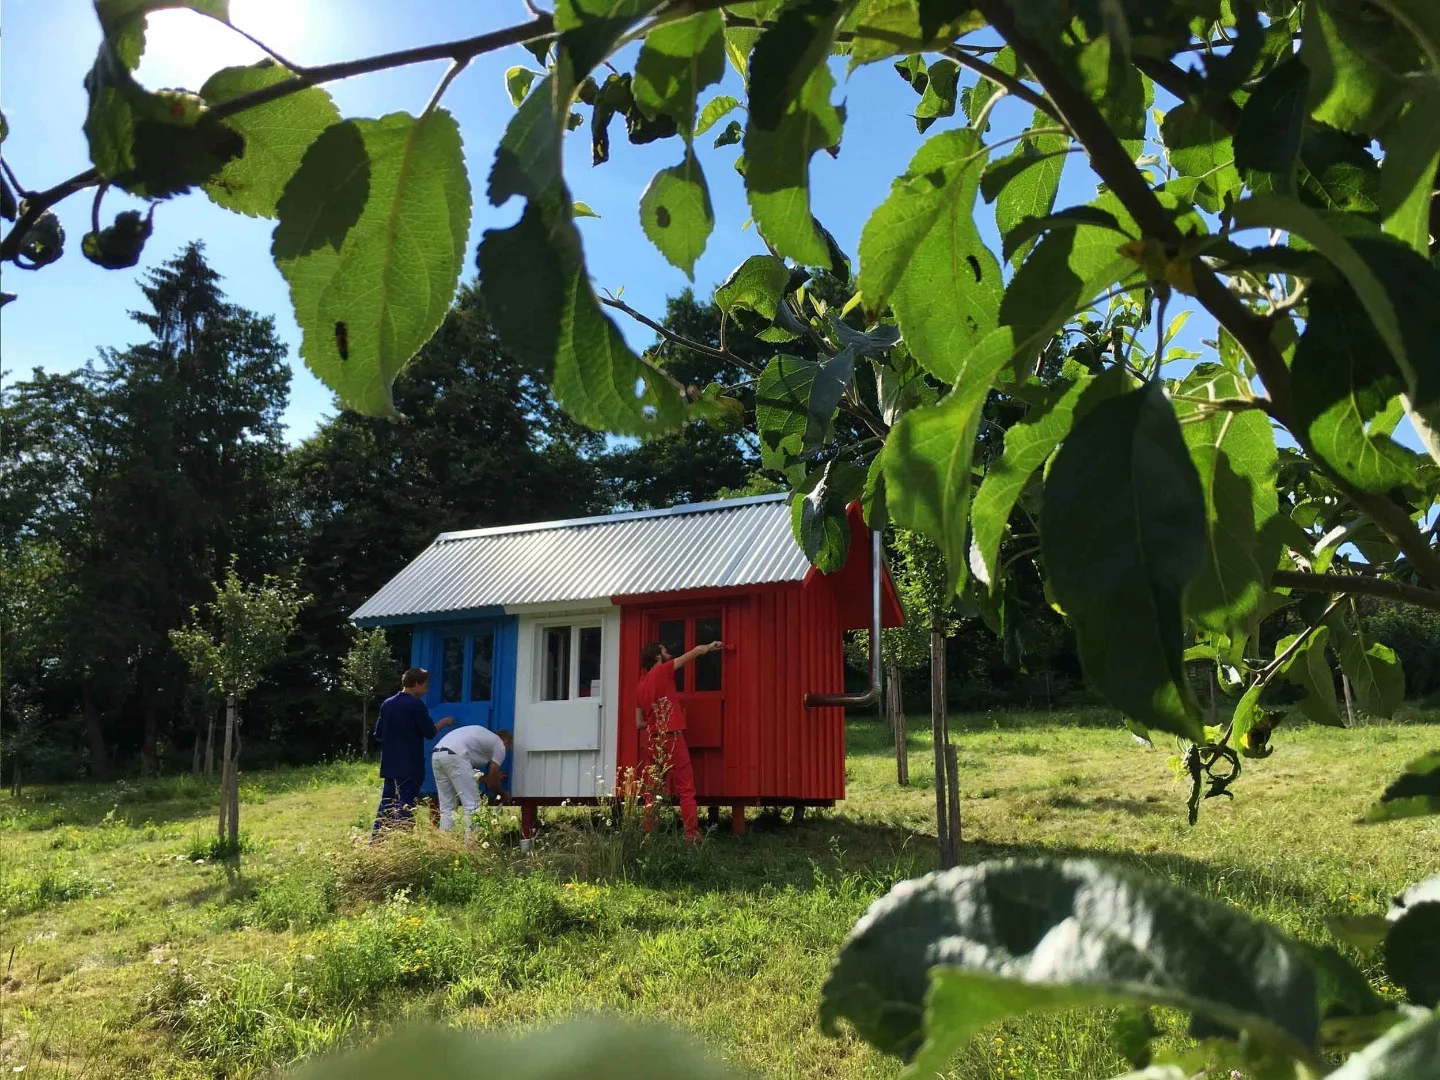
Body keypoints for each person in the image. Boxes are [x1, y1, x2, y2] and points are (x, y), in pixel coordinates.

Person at [636, 638, 723, 844]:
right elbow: (693, 653)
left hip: (651, 740)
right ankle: (691, 835)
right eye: (666, 651)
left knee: (651, 790)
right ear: (658, 657)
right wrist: (710, 647)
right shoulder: (663, 670)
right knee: (685, 788)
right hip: (671, 736)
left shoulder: (640, 685)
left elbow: (639, 722)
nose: (669, 655)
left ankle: (649, 835)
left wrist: (655, 718)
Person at [371, 667, 453, 839]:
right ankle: (403, 839)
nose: (426, 689)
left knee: (387, 802)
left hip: (390, 763)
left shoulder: (388, 703)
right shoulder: (416, 705)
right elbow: (429, 732)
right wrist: (444, 722)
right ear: (416, 684)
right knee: (406, 803)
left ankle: (377, 840)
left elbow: (378, 734)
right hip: (411, 764)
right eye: (425, 685)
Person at [431, 723, 512, 840]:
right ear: (507, 742)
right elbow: (492, 784)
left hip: (437, 754)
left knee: (447, 808)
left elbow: (464, 773)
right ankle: (471, 846)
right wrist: (504, 795)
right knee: (473, 806)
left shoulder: (482, 738)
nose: (507, 751)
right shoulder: (500, 745)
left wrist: (489, 778)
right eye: (509, 748)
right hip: (456, 755)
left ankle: (445, 843)